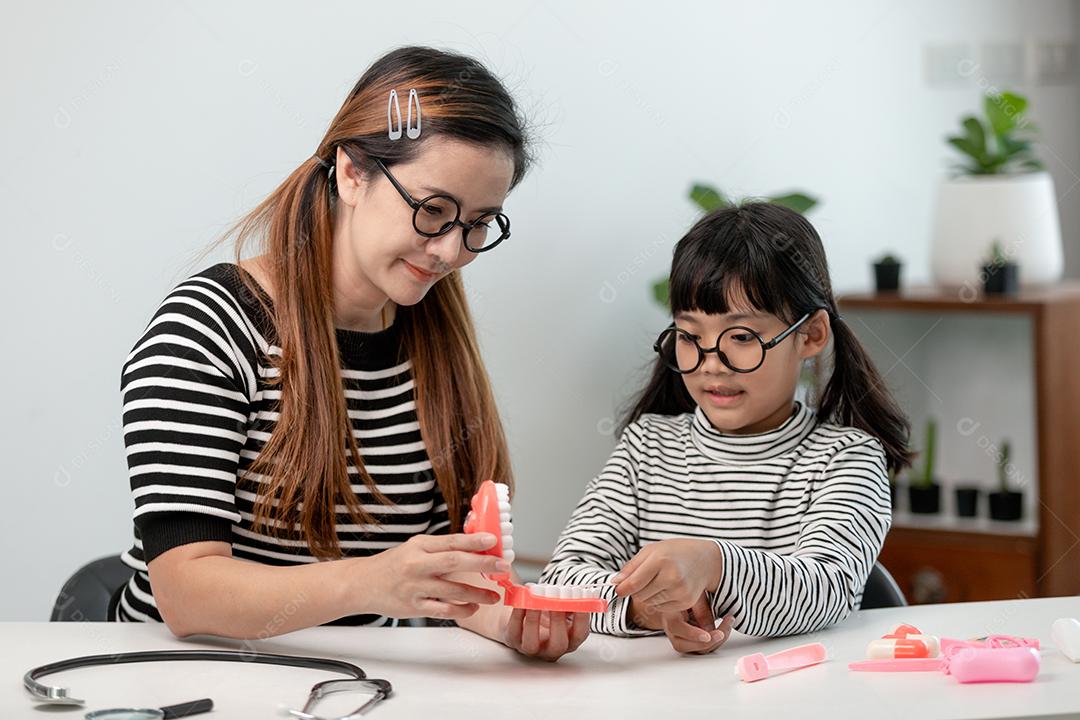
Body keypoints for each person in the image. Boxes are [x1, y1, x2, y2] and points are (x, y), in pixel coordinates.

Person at [113, 46, 587, 662]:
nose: (451, 252)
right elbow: (188, 594)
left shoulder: (433, 337)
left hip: (353, 677)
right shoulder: (209, 326)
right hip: (181, 670)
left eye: (478, 223)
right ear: (352, 172)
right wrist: (374, 582)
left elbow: (444, 576)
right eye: (432, 210)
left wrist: (508, 619)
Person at [541, 202, 912, 654]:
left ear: (811, 335)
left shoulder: (846, 459)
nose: (712, 365)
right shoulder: (646, 449)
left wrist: (713, 565)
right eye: (691, 337)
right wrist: (648, 609)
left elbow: (826, 590)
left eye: (741, 337)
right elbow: (562, 579)